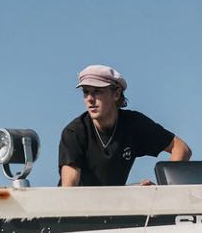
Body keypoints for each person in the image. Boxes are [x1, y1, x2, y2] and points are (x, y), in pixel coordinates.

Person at [58, 64, 191, 186]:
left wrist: (164, 193)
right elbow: (69, 191)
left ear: (116, 94)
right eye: (86, 92)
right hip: (79, 203)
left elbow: (181, 149)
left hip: (112, 202)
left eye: (97, 91)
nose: (90, 99)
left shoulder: (133, 124)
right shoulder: (74, 132)